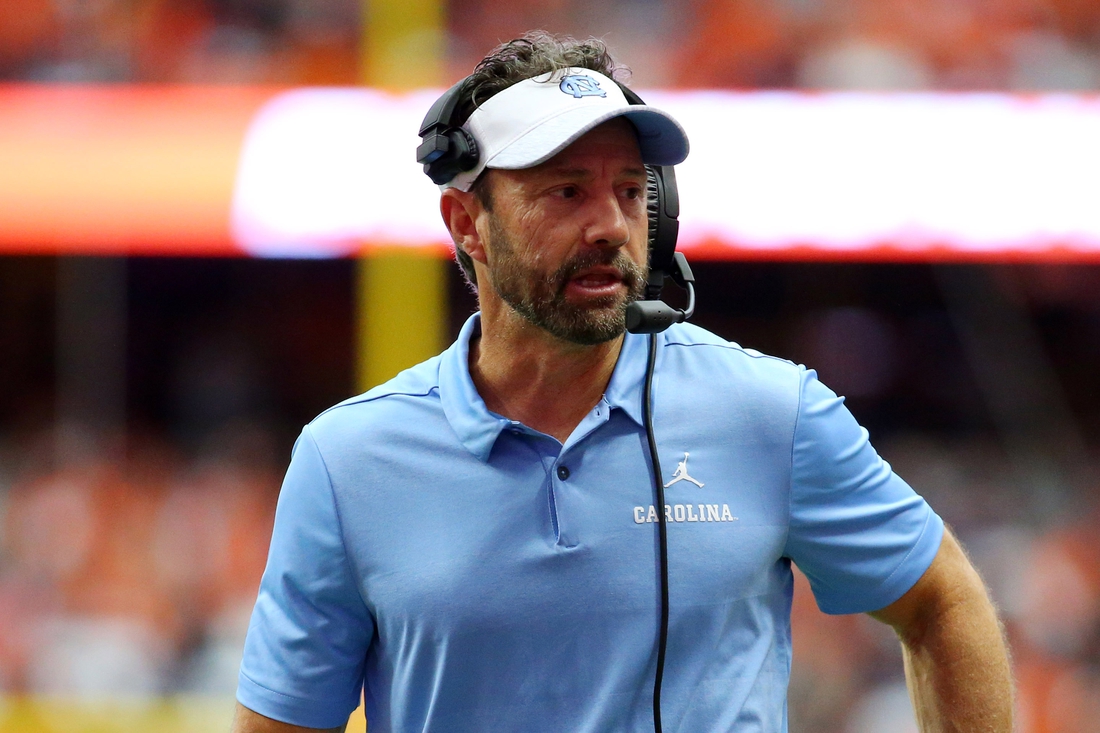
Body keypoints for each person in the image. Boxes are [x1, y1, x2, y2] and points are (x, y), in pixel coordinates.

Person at [231, 32, 1013, 733]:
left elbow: (942, 600)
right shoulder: (347, 460)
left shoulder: (772, 410)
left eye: (632, 192)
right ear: (467, 223)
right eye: (566, 191)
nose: (609, 224)